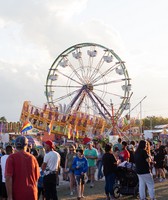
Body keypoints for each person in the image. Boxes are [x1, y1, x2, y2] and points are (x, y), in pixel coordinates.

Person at [5, 136, 40, 200]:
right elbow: (36, 177)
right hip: (32, 193)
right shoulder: (33, 158)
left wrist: (9, 196)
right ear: (26, 145)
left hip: (18, 194)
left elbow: (8, 178)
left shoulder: (11, 158)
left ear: (15, 145)